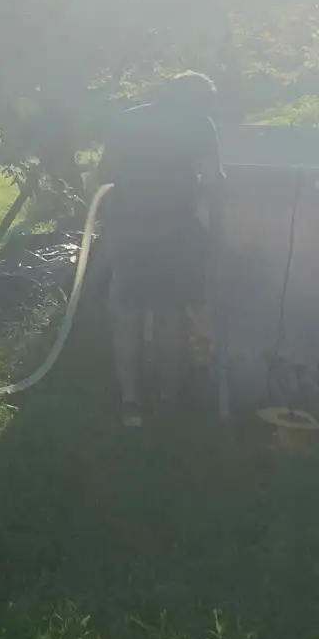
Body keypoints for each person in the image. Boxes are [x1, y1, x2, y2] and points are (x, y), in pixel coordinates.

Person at [95, 72, 224, 427]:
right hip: (175, 232)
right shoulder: (200, 125)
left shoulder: (127, 120)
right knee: (168, 316)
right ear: (200, 100)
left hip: (128, 230)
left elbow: (105, 172)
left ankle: (131, 404)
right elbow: (213, 180)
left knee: (127, 316)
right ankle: (168, 401)